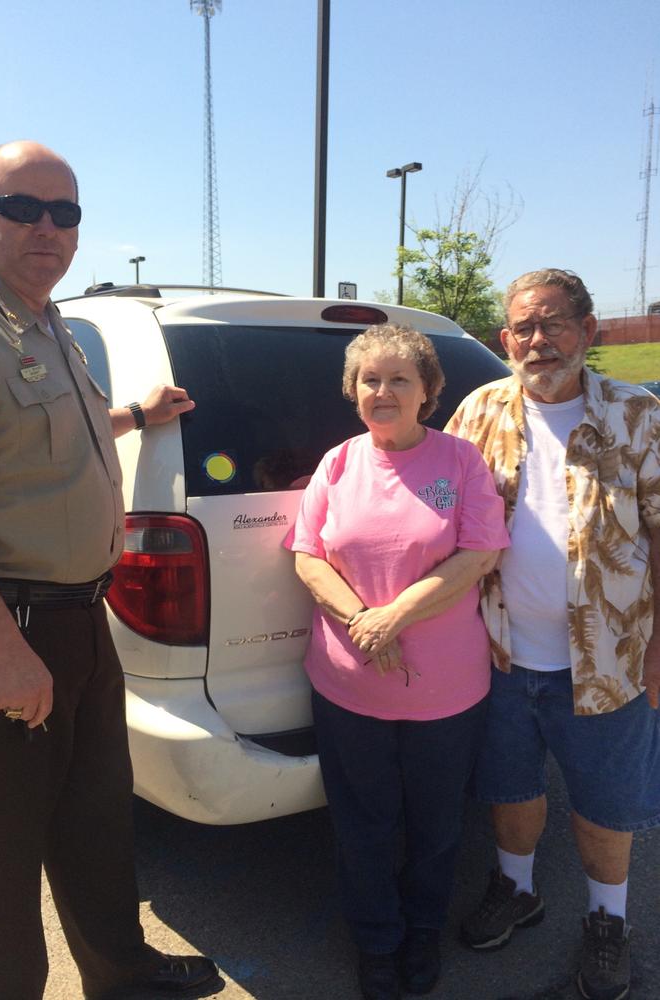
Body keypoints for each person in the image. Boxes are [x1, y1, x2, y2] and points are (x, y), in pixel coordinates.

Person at [0, 141, 219, 1000]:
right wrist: (2, 648)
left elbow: (36, 444)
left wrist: (134, 415)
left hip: (84, 621)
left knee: (94, 826)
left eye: (66, 212)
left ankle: (122, 976)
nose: (48, 227)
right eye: (24, 207)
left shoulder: (47, 321)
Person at [447, 268, 660, 1000]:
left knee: (605, 803)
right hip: (500, 654)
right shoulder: (478, 412)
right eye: (523, 328)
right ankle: (518, 889)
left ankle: (608, 921)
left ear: (588, 331)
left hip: (610, 659)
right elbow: (430, 507)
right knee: (510, 788)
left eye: (554, 323)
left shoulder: (638, 414)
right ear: (505, 340)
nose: (538, 340)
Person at [285, 324, 509, 1000]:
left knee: (438, 828)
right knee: (363, 826)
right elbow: (307, 554)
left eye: (398, 380)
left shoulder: (461, 463)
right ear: (354, 391)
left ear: (428, 392)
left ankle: (421, 933)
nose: (382, 392)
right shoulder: (338, 464)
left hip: (447, 692)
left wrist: (391, 617)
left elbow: (479, 554)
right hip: (348, 688)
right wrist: (360, 622)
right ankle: (377, 942)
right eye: (369, 381)